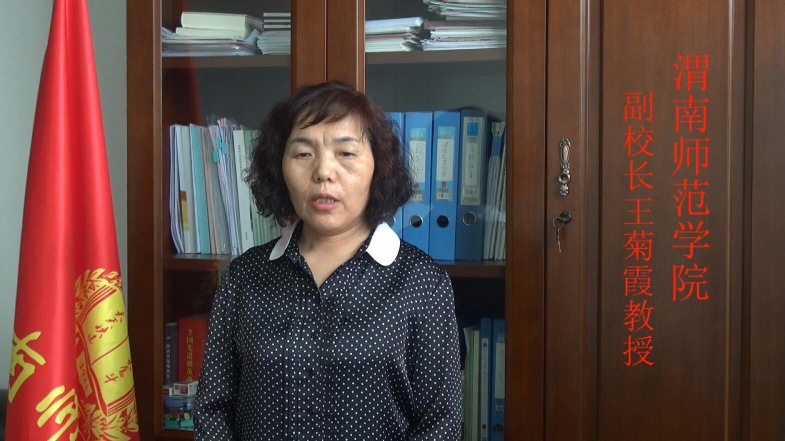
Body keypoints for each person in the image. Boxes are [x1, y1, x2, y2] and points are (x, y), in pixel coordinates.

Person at [193, 81, 461, 440]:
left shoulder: (422, 283)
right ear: (279, 167)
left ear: (378, 167)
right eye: (303, 154)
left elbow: (439, 425)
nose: (323, 171)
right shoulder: (246, 276)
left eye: (346, 153)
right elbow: (212, 411)